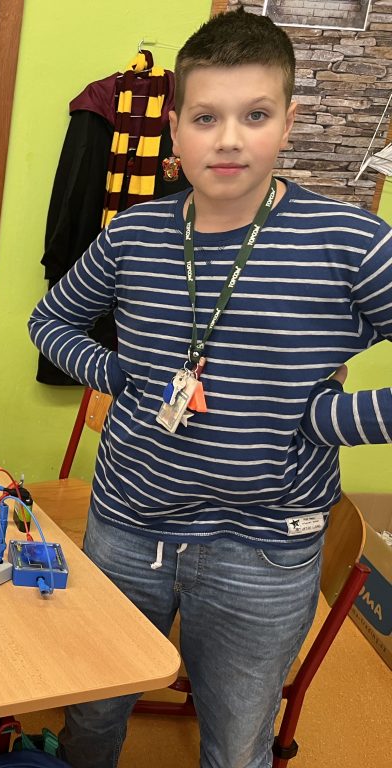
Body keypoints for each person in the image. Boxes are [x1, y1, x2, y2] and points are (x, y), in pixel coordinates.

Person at [28, 9, 392, 768]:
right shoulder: (132, 236)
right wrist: (117, 374)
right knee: (91, 714)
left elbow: (329, 411)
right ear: (175, 129)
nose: (228, 139)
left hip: (262, 547)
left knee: (235, 744)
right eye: (205, 117)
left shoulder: (352, 243)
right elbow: (50, 320)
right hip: (127, 526)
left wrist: (332, 418)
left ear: (288, 122)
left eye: (254, 115)